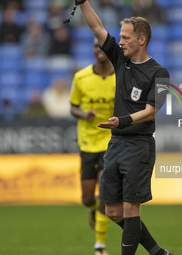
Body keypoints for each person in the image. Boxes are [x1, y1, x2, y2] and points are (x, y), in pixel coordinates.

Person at [76, 1, 171, 254]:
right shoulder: (120, 60)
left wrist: (123, 120)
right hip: (116, 144)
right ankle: (157, 252)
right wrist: (83, 3)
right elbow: (97, 28)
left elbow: (152, 111)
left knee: (130, 209)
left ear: (141, 39)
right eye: (120, 37)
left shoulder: (160, 73)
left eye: (126, 38)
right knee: (112, 211)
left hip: (139, 145)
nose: (120, 42)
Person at [69, 38, 115, 255]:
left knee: (105, 193)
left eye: (103, 46)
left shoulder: (121, 77)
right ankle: (93, 209)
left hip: (110, 142)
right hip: (87, 142)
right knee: (88, 198)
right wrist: (83, 114)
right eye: (96, 46)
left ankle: (100, 246)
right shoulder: (81, 77)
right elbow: (72, 107)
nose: (99, 50)